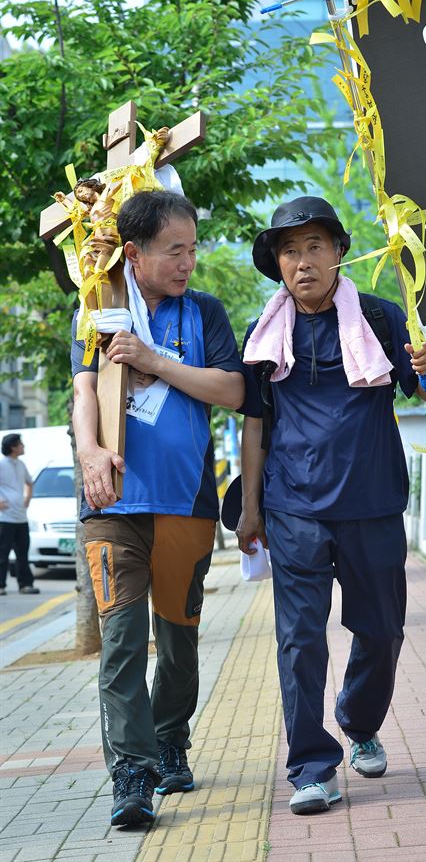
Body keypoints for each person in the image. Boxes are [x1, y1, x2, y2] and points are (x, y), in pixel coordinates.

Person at [236, 195, 426, 816]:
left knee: (382, 629)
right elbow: (254, 426)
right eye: (290, 251)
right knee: (300, 640)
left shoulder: (379, 318)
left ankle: (359, 718)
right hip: (293, 505)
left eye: (314, 246)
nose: (302, 262)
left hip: (372, 500)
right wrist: (249, 509)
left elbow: (424, 389)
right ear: (277, 263)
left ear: (339, 252)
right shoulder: (265, 333)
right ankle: (311, 767)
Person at [71, 190, 244, 828]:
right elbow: (85, 388)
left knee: (177, 638)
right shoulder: (97, 306)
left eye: (193, 249)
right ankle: (132, 777)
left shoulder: (204, 313)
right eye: (175, 250)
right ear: (134, 255)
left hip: (187, 503)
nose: (188, 263)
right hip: (111, 502)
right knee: (120, 643)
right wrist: (89, 451)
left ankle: (171, 738)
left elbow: (230, 389)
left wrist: (152, 361)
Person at [0, 433, 39, 596]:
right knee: (2, 554)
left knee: (23, 553)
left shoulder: (21, 464)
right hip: (4, 518)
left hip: (21, 517)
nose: (23, 446)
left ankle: (25, 585)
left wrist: (28, 498)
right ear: (12, 447)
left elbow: (29, 482)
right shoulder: (1, 464)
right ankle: (0, 586)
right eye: (20, 444)